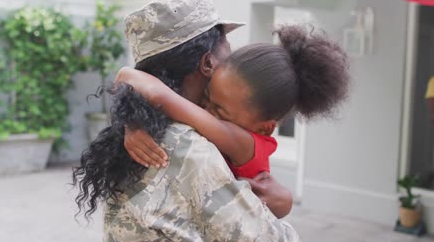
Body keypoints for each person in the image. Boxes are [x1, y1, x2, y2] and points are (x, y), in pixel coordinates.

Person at [73, 0, 304, 242]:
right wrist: (273, 213)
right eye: (227, 48)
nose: (233, 58)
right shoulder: (188, 147)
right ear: (208, 63)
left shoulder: (145, 129)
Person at [118, 25, 349, 180]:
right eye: (208, 97)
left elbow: (159, 95)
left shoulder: (249, 146)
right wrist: (132, 122)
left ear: (264, 127)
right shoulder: (236, 126)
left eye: (220, 111)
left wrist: (130, 100)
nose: (206, 110)